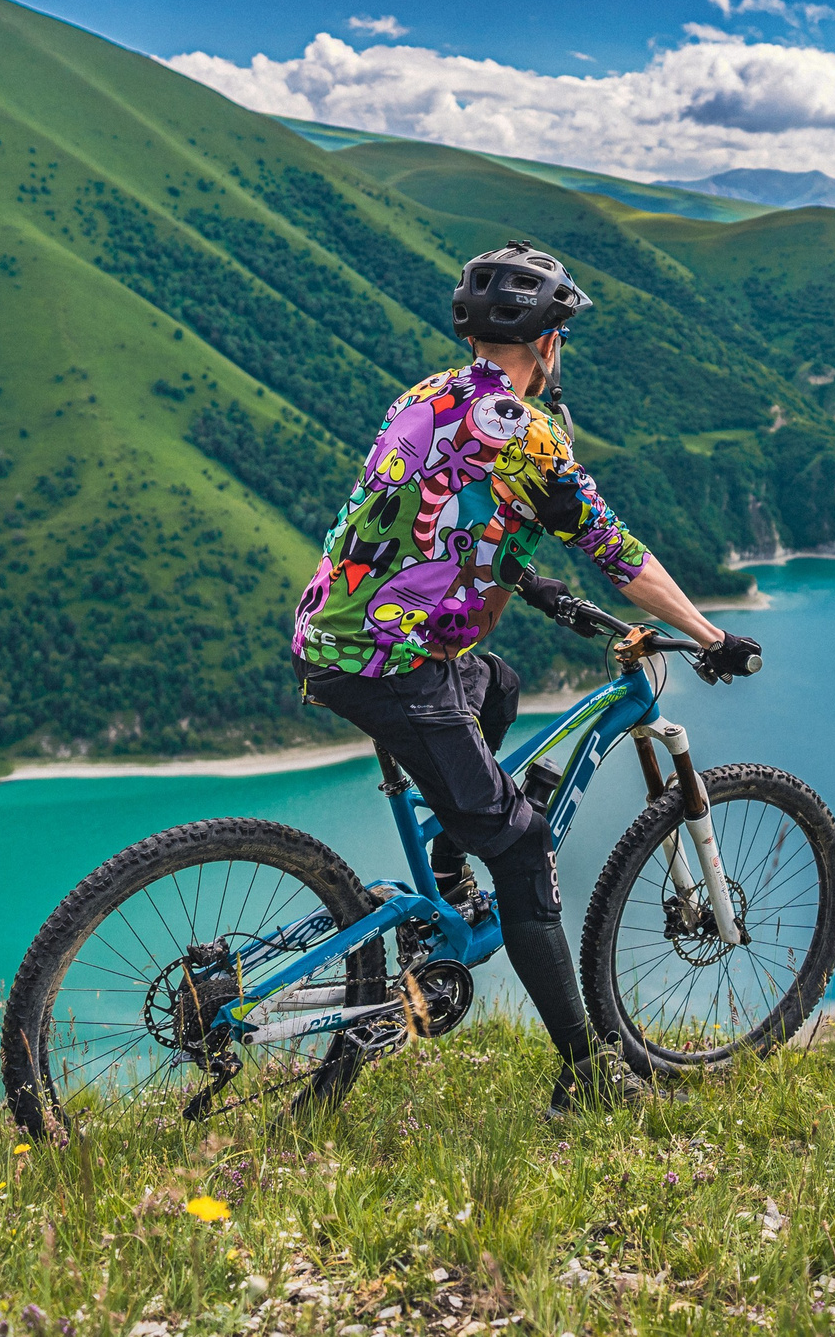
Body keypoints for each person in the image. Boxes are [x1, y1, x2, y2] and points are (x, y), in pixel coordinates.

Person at [292, 238, 763, 1114]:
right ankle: (585, 1078)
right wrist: (705, 632)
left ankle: (451, 858)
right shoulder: (529, 434)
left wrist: (520, 577)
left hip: (339, 636)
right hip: (396, 664)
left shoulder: (428, 394)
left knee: (498, 686)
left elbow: (429, 523)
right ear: (548, 343)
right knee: (521, 843)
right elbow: (617, 553)